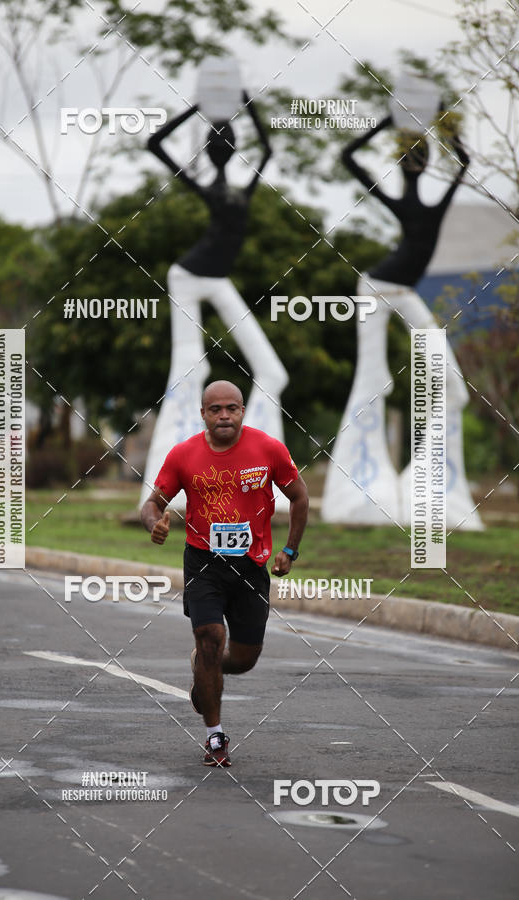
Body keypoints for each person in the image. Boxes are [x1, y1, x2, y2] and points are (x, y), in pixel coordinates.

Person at [322, 115, 483, 530]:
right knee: (374, 380)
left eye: (420, 157)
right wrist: (386, 124)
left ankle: (428, 489)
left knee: (453, 386)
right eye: (410, 158)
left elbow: (464, 161)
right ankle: (360, 488)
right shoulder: (400, 201)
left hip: (403, 292)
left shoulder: (435, 201)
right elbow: (348, 157)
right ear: (402, 165)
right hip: (375, 289)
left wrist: (443, 122)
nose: (416, 164)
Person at [141, 380, 309, 767]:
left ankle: (204, 668)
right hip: (204, 564)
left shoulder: (268, 449)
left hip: (252, 565)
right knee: (210, 637)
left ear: (242, 411)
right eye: (215, 409)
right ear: (203, 414)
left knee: (244, 657)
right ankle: (215, 736)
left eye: (231, 408)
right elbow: (153, 502)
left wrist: (289, 550)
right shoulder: (184, 455)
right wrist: (155, 523)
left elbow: (299, 496)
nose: (224, 416)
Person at [139, 91, 288, 510]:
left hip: (216, 278)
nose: (223, 144)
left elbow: (270, 146)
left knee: (272, 372)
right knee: (191, 368)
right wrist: (200, 106)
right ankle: (173, 487)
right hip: (187, 277)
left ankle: (256, 479)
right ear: (208, 148)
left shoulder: (244, 187)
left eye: (228, 139)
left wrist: (242, 102)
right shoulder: (207, 187)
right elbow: (154, 143)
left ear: (236, 148)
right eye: (215, 140)